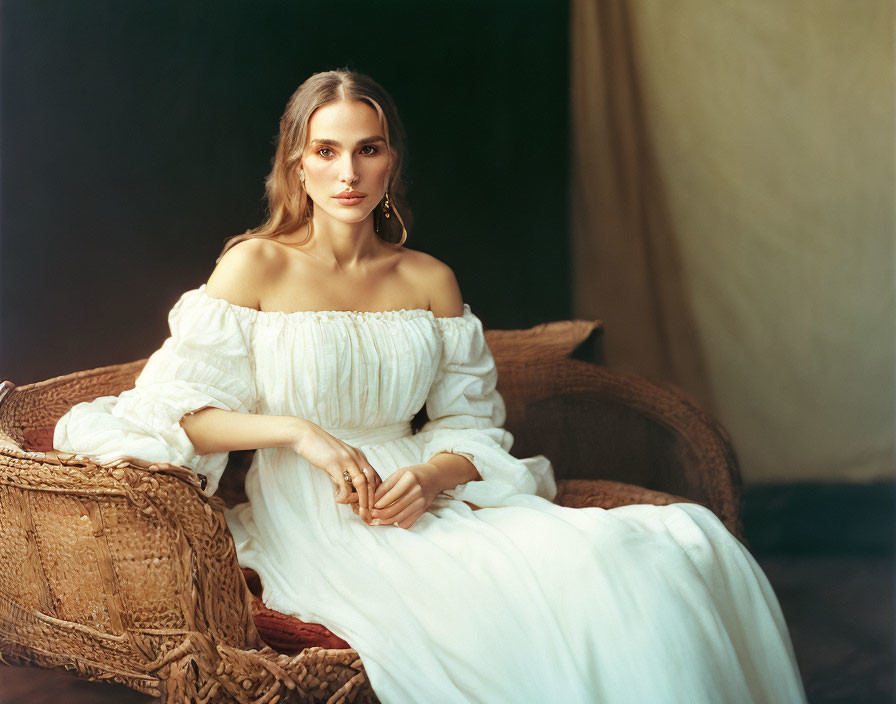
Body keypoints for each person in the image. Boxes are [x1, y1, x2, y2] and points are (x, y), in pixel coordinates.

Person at [54, 69, 808, 703]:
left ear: (390, 164)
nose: (347, 173)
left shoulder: (429, 280)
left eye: (367, 150)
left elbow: (473, 428)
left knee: (676, 547)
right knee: (502, 609)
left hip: (420, 496)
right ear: (298, 165)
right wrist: (298, 433)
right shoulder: (256, 266)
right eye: (326, 151)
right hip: (317, 512)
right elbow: (179, 414)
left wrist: (432, 474)